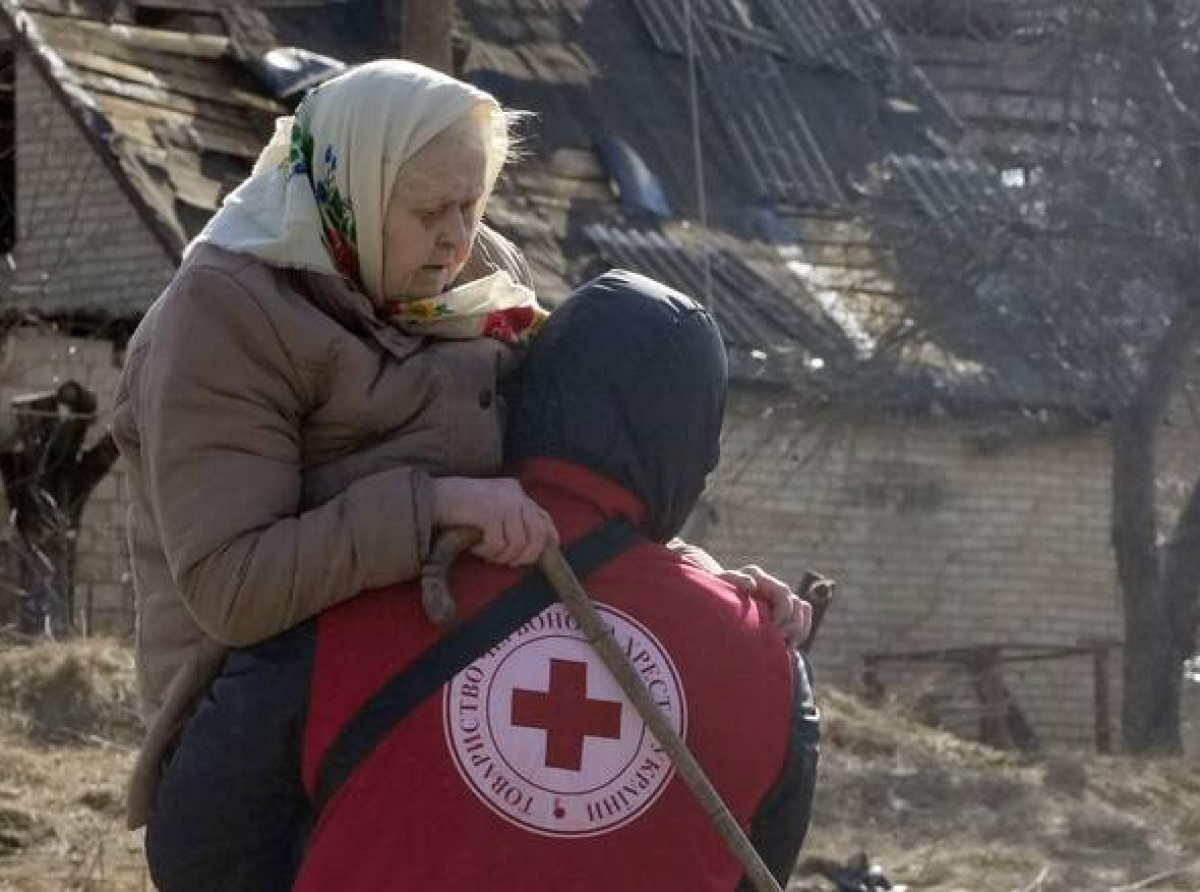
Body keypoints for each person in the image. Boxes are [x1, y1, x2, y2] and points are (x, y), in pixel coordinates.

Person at [143, 271, 821, 892]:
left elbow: (197, 852)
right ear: (693, 451)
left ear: (526, 389)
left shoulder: (355, 583)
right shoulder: (763, 659)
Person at [112, 60, 559, 828]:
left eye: (473, 203)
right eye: (428, 211)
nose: (457, 239)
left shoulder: (482, 278)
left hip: (447, 694)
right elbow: (234, 586)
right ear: (349, 187)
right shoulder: (227, 310)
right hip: (259, 735)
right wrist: (437, 507)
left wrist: (703, 585)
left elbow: (563, 471)